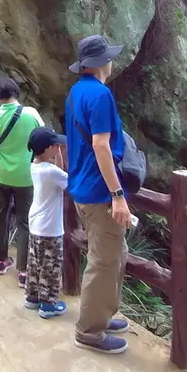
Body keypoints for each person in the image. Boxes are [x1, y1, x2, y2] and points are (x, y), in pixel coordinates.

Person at [66, 35, 132, 355]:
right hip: (99, 191)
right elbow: (101, 145)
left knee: (113, 253)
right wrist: (117, 194)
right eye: (109, 56)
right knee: (103, 261)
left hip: (83, 186)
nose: (112, 61)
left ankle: (102, 314)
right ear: (101, 62)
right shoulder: (101, 94)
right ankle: (90, 332)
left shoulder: (77, 91)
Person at [0, 77, 43, 282]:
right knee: (25, 221)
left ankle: (0, 261)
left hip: (0, 174)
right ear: (16, 93)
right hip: (25, 175)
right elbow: (43, 135)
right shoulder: (31, 114)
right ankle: (23, 270)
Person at [25, 127, 68, 318]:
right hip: (50, 227)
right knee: (51, 267)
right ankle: (49, 305)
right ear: (47, 148)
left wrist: (57, 154)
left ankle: (32, 297)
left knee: (35, 263)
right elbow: (70, 182)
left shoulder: (35, 165)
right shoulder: (51, 172)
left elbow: (58, 173)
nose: (57, 148)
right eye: (54, 145)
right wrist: (62, 156)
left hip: (36, 223)